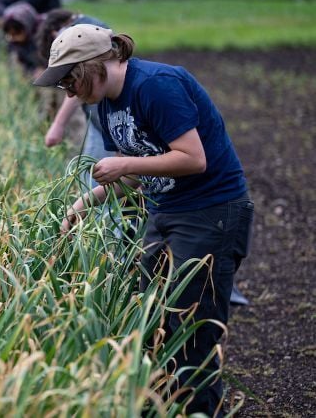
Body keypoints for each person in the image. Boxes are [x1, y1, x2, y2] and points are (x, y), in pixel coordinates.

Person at [33, 24, 254, 416]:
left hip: (210, 212)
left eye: (69, 81)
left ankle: (203, 411)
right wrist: (87, 201)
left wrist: (122, 164)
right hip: (165, 209)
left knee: (192, 326)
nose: (67, 92)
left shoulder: (156, 85)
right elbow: (140, 172)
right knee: (149, 314)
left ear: (92, 66)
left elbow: (192, 158)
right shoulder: (106, 102)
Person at [36, 9, 114, 184]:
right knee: (92, 179)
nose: (70, 93)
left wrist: (58, 124)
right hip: (98, 121)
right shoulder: (82, 30)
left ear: (56, 35)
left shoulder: (84, 35)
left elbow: (81, 83)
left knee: (97, 182)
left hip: (106, 122)